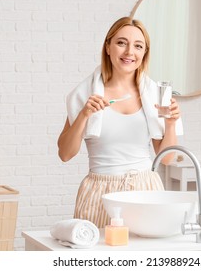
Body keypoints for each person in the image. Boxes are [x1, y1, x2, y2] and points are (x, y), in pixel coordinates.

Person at [57, 17, 183, 228]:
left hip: (146, 191)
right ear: (108, 47)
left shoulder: (156, 95)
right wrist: (84, 115)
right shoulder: (84, 94)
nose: (129, 52)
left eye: (138, 46)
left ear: (144, 53)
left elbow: (168, 158)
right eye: (121, 43)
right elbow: (65, 154)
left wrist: (171, 123)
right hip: (100, 193)